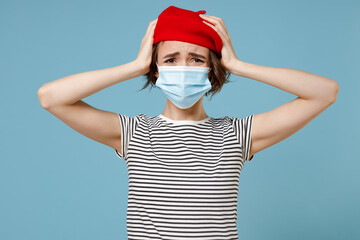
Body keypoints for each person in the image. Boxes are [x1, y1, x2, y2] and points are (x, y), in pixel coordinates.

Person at [37, 5, 339, 240]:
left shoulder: (238, 134)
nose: (184, 67)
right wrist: (134, 66)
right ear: (156, 69)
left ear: (212, 69)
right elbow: (51, 97)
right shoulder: (133, 133)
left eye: (196, 58)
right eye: (171, 59)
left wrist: (238, 65)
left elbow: (324, 93)